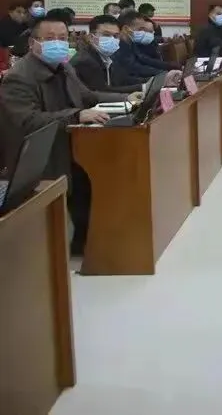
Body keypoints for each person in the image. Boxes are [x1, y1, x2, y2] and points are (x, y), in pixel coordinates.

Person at [0, 15, 136, 255]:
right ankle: (79, 247)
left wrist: (127, 98)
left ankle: (90, 244)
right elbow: (29, 120)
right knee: (86, 183)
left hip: (70, 142)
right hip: (40, 154)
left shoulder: (64, 67)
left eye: (62, 38)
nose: (57, 43)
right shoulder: (18, 77)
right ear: (33, 43)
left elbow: (88, 96)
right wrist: (76, 115)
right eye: (49, 38)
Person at [71, 15, 143, 93]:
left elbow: (121, 79)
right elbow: (102, 91)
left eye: (115, 36)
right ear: (91, 37)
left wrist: (147, 83)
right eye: (106, 35)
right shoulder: (85, 61)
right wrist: (142, 87)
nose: (112, 39)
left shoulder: (109, 56)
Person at [115, 13, 182, 81]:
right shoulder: (118, 46)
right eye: (140, 29)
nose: (144, 33)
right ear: (126, 28)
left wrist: (167, 66)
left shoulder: (131, 42)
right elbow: (134, 68)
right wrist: (162, 74)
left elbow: (144, 59)